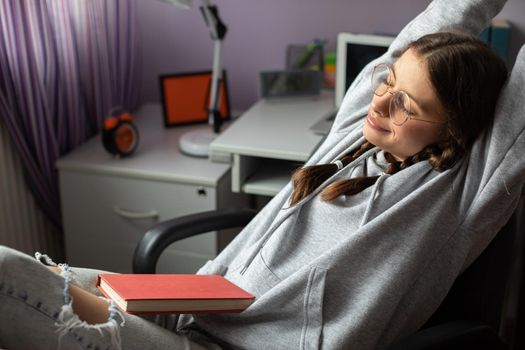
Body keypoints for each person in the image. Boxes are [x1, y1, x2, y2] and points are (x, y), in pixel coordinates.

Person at [0, 0, 522, 349]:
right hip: (194, 308)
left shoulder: (461, 196)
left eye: (404, 103)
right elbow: (450, 12)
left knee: (7, 279)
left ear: (453, 128)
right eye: (387, 81)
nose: (379, 101)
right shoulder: (358, 135)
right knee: (19, 271)